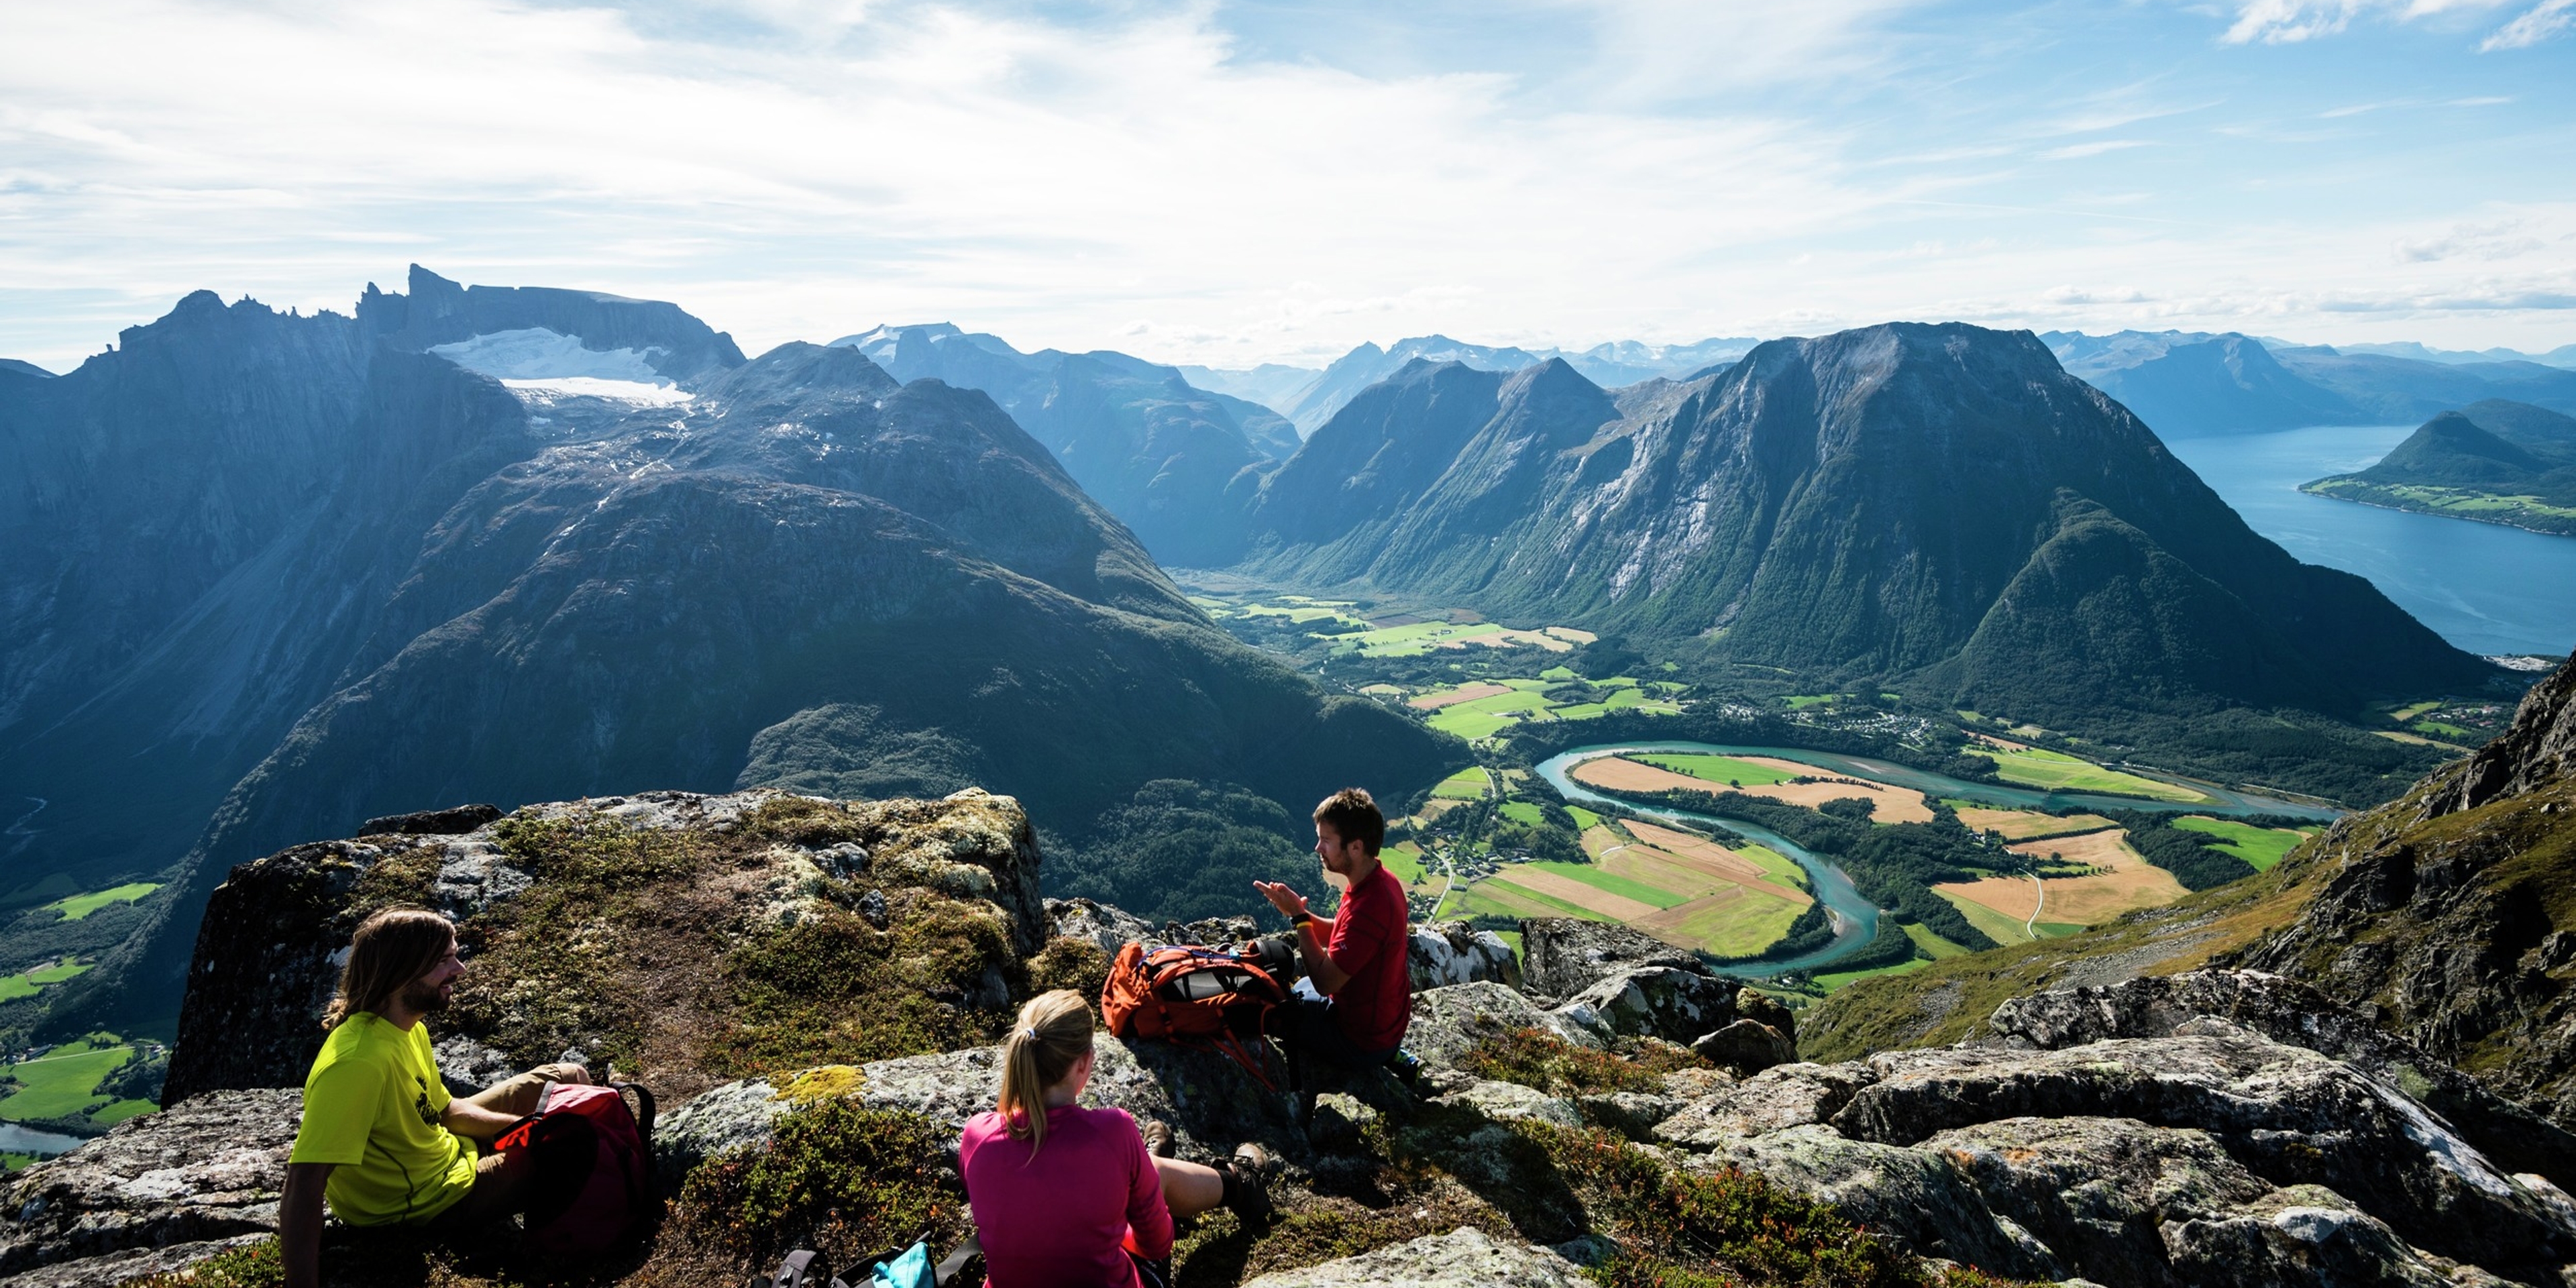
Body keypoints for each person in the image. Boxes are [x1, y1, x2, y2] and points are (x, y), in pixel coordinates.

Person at [278, 908, 593, 1288]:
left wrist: (521, 1128)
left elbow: (443, 1110)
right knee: (573, 1145)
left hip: (444, 1152)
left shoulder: (404, 1028)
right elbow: (304, 1182)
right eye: (445, 961)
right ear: (403, 971)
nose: (459, 970)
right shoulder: (357, 1065)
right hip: (427, 1202)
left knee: (569, 1079)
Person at [961, 990, 1272, 1288]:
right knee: (1156, 1172)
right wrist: (1112, 1229)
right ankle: (1241, 1184)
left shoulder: (977, 1135)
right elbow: (1157, 1244)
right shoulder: (1113, 1131)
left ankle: (1140, 1176)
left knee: (1135, 1173)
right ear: (1083, 1063)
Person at [1252, 788, 1417, 1085]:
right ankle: (1391, 1053)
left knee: (1276, 1007)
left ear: (1355, 847)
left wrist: (1301, 920)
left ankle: (1379, 1057)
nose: (1318, 848)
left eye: (1326, 841)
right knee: (1300, 985)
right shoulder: (1378, 881)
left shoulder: (1370, 906)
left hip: (1360, 1042)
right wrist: (1293, 912)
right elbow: (1342, 932)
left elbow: (1326, 982)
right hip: (1385, 1028)